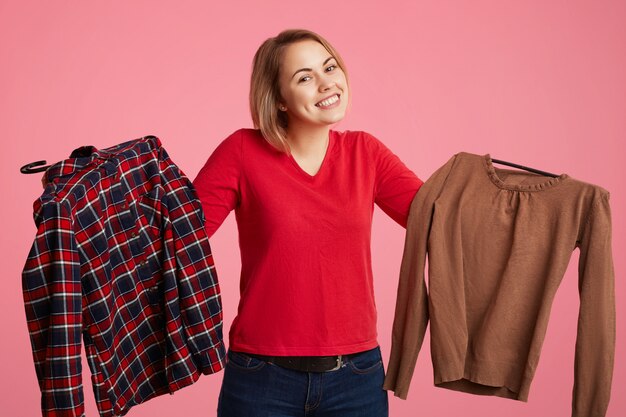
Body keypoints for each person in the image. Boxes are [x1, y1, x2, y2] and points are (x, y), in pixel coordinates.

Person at [192, 28, 423, 417]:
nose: (325, 83)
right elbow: (179, 236)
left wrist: (545, 216)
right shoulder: (242, 152)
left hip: (357, 375)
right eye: (304, 77)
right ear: (279, 99)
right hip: (260, 376)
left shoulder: (365, 153)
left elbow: (439, 218)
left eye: (329, 67)